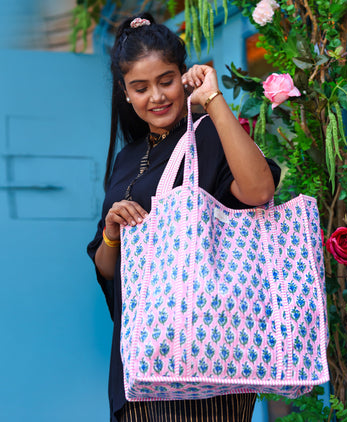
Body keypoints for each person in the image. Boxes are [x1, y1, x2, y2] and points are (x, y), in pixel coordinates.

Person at [87, 12, 281, 422]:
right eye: (140, 88)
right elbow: (108, 270)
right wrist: (111, 232)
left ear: (183, 76)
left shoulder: (207, 136)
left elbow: (260, 191)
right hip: (139, 360)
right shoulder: (126, 159)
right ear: (125, 92)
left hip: (205, 356)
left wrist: (212, 98)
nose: (156, 96)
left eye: (166, 81)